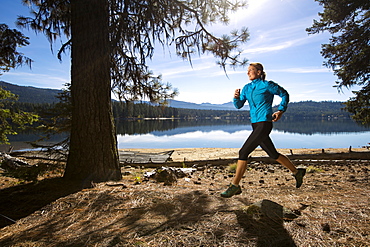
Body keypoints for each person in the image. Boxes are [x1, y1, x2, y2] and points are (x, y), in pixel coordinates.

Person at [221, 62, 306, 198]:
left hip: (265, 123)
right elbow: (238, 105)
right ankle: (297, 172)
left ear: (259, 72)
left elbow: (284, 94)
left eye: (251, 70)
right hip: (255, 124)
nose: (248, 73)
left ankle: (235, 185)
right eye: (247, 71)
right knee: (273, 154)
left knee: (243, 152)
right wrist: (235, 97)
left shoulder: (267, 85)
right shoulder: (247, 88)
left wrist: (281, 110)